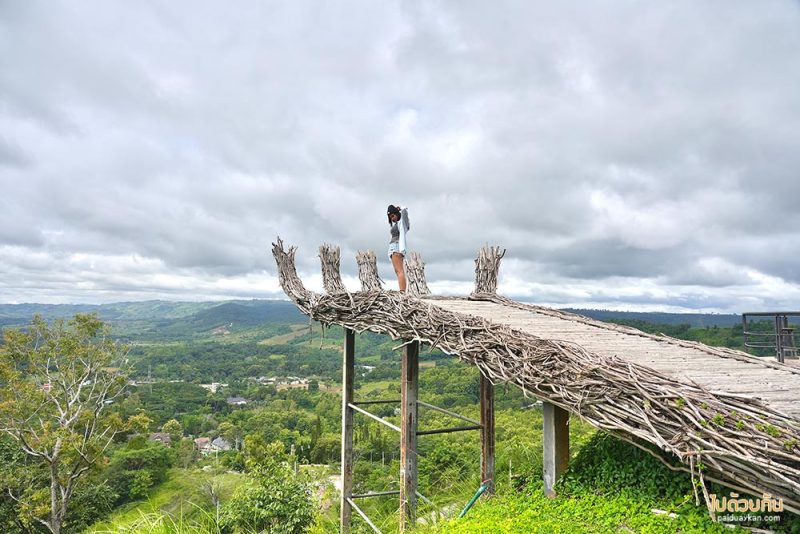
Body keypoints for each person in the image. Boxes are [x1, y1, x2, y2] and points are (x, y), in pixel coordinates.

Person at [387, 204, 410, 292]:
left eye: (393, 215)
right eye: (390, 217)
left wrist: (400, 208)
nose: (392, 218)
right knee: (398, 272)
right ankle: (402, 291)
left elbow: (405, 210)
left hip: (397, 247)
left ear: (397, 213)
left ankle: (402, 292)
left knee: (400, 271)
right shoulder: (397, 224)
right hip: (393, 248)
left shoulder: (403, 223)